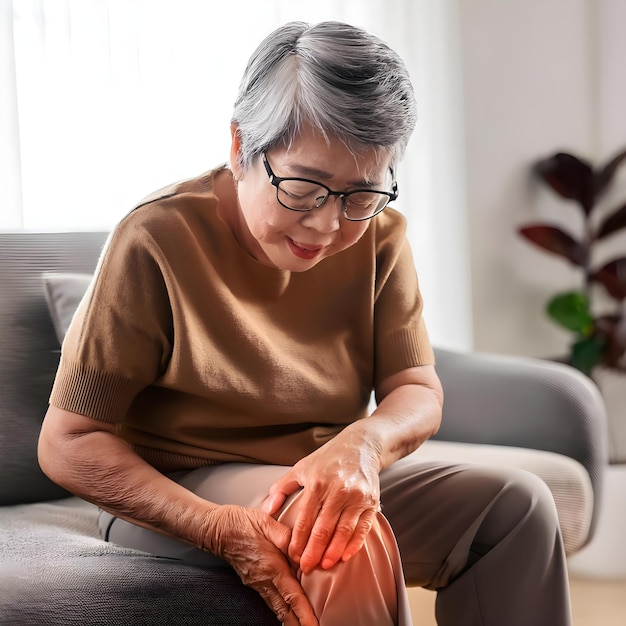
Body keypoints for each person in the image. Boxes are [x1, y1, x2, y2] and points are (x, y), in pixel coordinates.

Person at [38, 20, 573, 626]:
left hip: (317, 471)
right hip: (179, 491)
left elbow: (416, 389)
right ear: (242, 148)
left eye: (361, 195)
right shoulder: (157, 238)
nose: (326, 226)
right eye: (303, 186)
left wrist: (363, 446)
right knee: (339, 540)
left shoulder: (381, 237)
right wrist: (216, 527)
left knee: (516, 508)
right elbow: (68, 441)